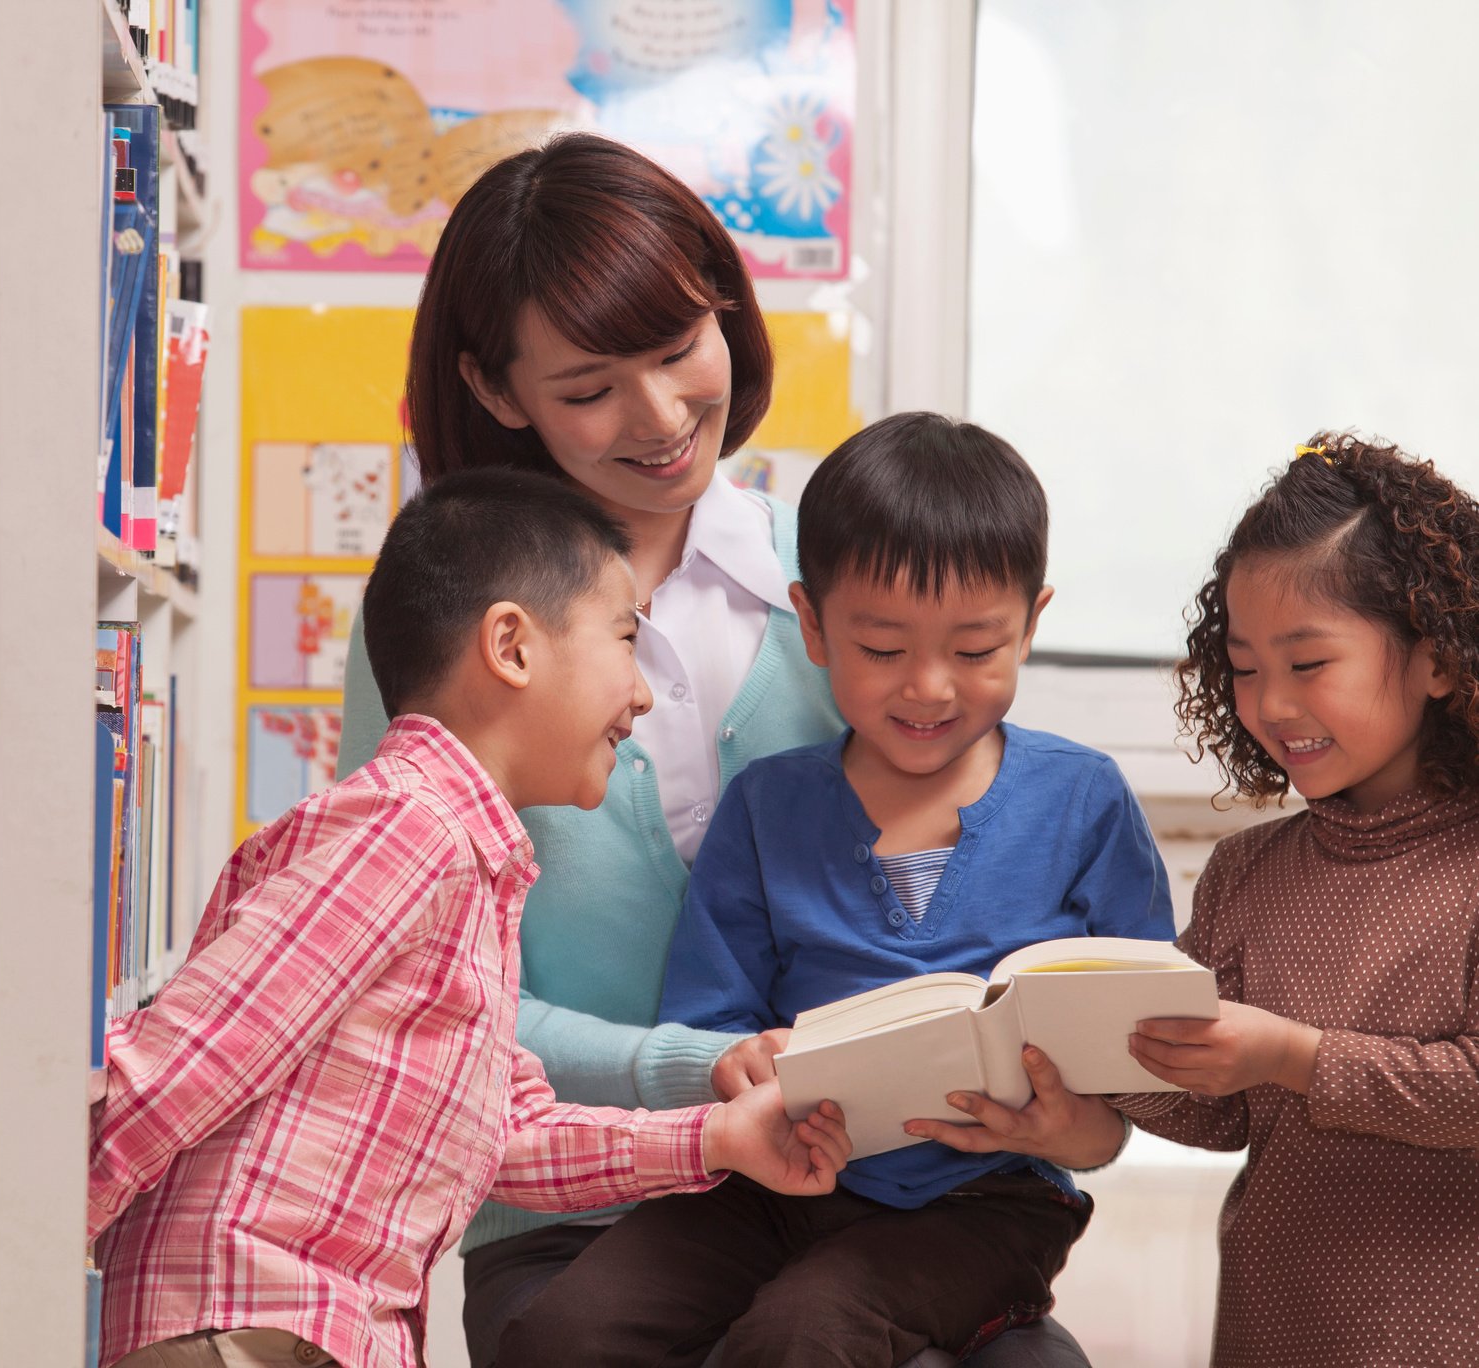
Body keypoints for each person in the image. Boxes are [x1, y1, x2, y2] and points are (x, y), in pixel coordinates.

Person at [337, 135, 1089, 1368]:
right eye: (587, 388)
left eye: (682, 348)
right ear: (496, 388)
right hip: (568, 1207)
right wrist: (687, 1071)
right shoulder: (439, 629)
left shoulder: (859, 590)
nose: (663, 416)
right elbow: (422, 994)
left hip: (866, 1197)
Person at [89, 470, 854, 1368]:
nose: (643, 695)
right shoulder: (406, 831)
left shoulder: (469, 864)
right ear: (512, 648)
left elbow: (501, 1138)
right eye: (624, 638)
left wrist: (720, 1138)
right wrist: (12, 1257)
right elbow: (189, 1058)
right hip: (245, 1325)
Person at [491, 413, 1177, 1368]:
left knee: (804, 1337)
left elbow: (1139, 1060)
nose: (930, 688)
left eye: (977, 650)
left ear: (1032, 623)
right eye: (884, 649)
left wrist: (1072, 1125)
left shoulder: (1083, 802)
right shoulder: (769, 807)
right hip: (775, 1176)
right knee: (564, 1333)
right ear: (811, 623)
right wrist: (749, 1064)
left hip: (987, 1203)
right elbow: (717, 1026)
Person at [954, 433, 1479, 1366]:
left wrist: (1291, 1053)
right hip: (1272, 1333)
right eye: (1242, 667)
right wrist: (1078, 1071)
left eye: (1308, 663)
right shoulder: (1246, 874)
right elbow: (1216, 1108)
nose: (1269, 703)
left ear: (1437, 659)